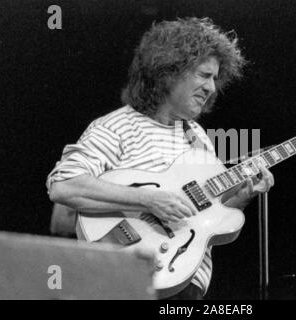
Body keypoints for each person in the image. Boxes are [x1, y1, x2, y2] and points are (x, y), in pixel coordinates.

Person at [46, 17, 274, 300]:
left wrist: (241, 195)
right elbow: (64, 185)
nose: (212, 88)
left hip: (187, 282)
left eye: (216, 78)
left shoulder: (199, 137)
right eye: (204, 75)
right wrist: (150, 200)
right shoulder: (117, 126)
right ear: (169, 71)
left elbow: (207, 217)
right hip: (130, 279)